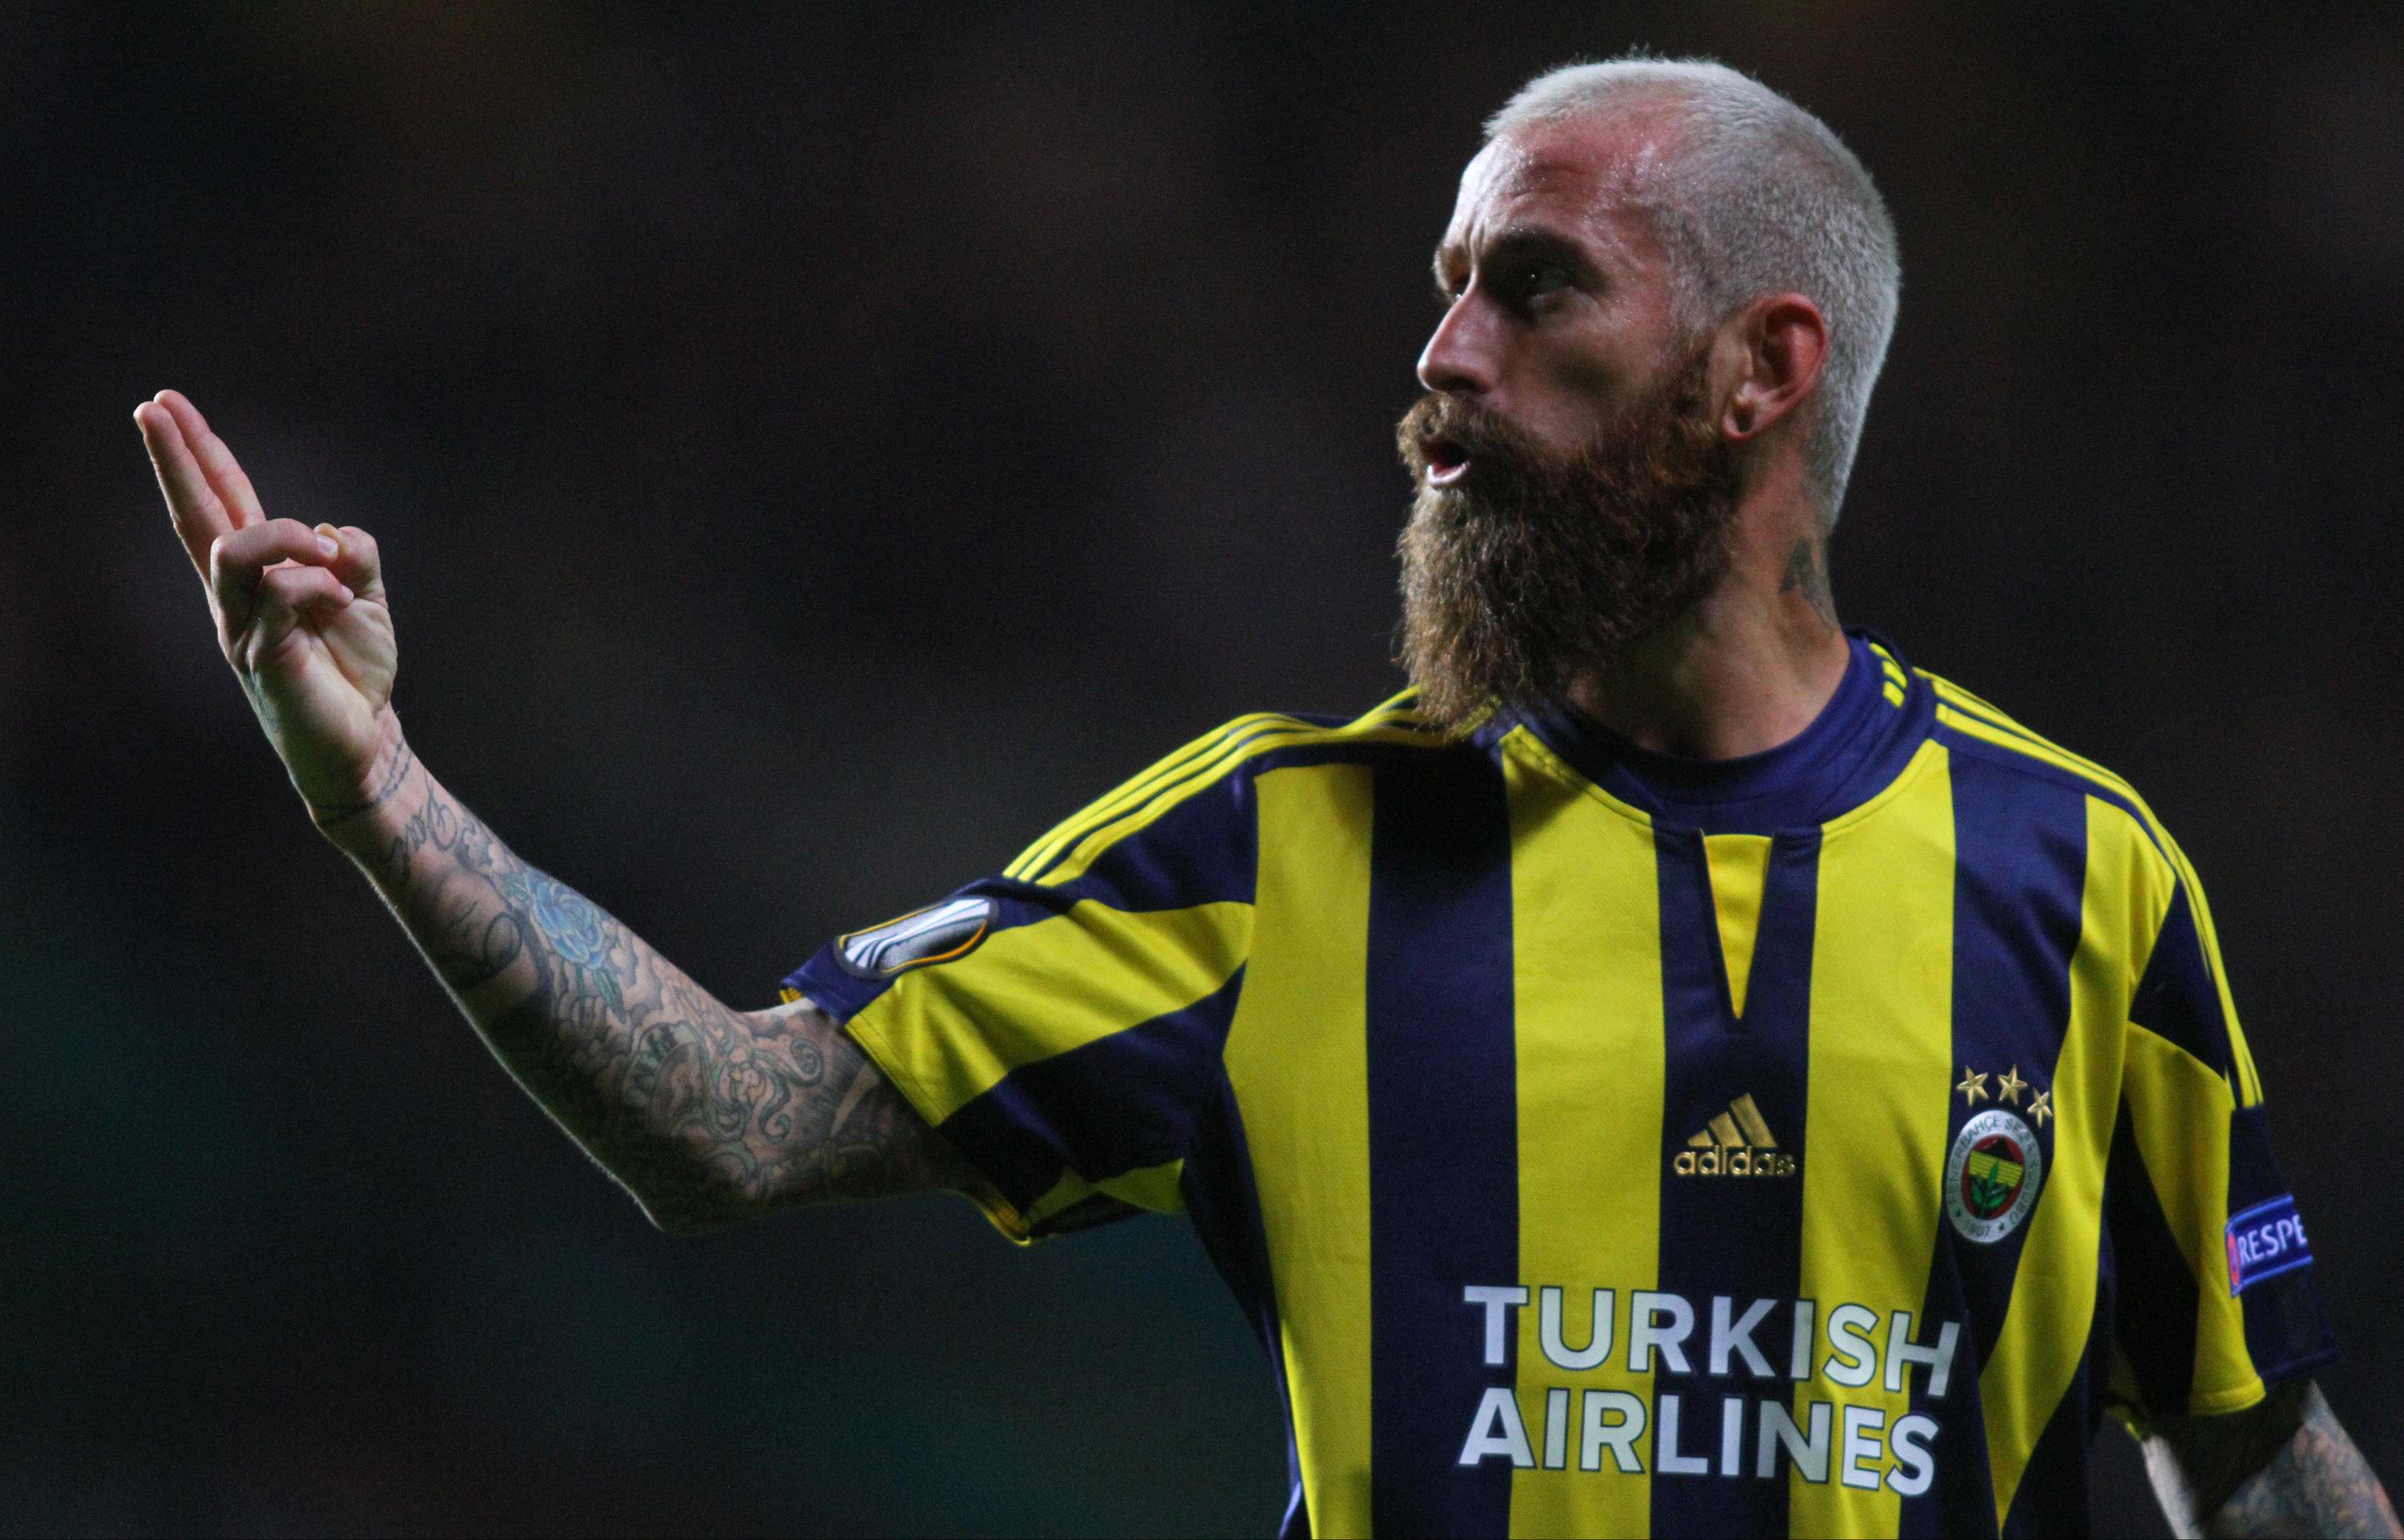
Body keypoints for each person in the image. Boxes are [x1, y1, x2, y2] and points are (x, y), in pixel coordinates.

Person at [136, 54, 2394, 1540]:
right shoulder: (1278, 843)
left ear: (1760, 369)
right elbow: (732, 1120)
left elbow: (2252, 1450)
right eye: (1444, 291)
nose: (1441, 358)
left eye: (1531, 290)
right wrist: (385, 799)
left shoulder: (2078, 877)